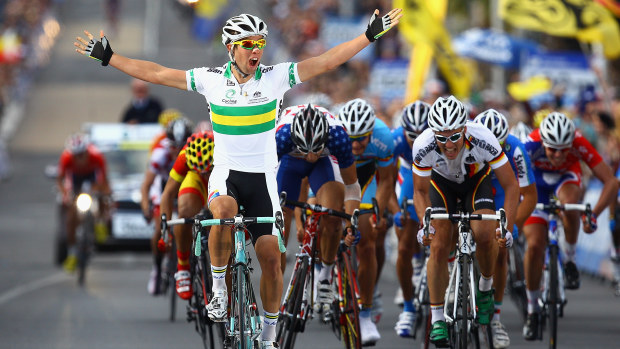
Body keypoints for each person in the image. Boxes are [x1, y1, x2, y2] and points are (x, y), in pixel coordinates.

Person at [74, 9, 402, 348]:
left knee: (272, 257)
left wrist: (368, 36)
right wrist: (110, 57)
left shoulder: (275, 77)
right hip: (227, 174)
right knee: (224, 211)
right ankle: (218, 290)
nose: (255, 50)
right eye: (247, 44)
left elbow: (326, 61)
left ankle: (271, 336)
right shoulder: (211, 79)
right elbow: (156, 73)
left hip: (264, 178)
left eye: (259, 42)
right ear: (231, 48)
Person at [411, 96, 519, 347]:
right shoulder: (423, 145)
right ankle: (437, 319)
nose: (448, 144)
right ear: (433, 134)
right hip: (442, 186)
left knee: (485, 233)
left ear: (465, 129)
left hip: (475, 183)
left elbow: (511, 186)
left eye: (454, 136)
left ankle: (485, 287)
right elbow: (420, 191)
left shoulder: (483, 138)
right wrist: (424, 224)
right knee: (438, 245)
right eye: (442, 137)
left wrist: (507, 228)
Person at [521, 111, 618, 340]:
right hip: (537, 185)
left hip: (566, 178)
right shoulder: (530, 144)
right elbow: (511, 181)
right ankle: (533, 308)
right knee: (534, 246)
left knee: (571, 204)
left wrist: (593, 214)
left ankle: (571, 258)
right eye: (551, 149)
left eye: (563, 149)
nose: (556, 154)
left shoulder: (579, 142)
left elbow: (612, 182)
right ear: (542, 142)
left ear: (571, 144)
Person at [275, 103, 359, 317]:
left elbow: (351, 186)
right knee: (278, 229)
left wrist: (350, 222)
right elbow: (264, 179)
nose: (311, 155)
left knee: (332, 216)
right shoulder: (281, 137)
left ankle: (325, 276)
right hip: (290, 162)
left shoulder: (338, 137)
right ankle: (274, 290)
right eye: (306, 150)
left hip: (325, 163)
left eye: (316, 149)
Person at [474, 109, 538, 349]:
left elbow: (529, 195)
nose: (495, 150)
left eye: (499, 145)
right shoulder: (465, 139)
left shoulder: (516, 148)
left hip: (501, 191)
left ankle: (496, 319)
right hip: (473, 188)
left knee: (501, 253)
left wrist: (514, 225)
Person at [337, 97, 395, 345]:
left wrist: (377, 213)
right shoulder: (334, 137)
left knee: (368, 241)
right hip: (337, 174)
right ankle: (324, 270)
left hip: (367, 178)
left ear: (371, 132)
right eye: (351, 139)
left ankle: (366, 313)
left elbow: (387, 181)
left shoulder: (384, 138)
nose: (356, 144)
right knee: (326, 220)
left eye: (362, 138)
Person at [159, 131, 215, 300]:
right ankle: (183, 267)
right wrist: (165, 232)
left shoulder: (226, 151)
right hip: (194, 178)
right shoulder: (184, 157)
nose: (205, 174)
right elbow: (168, 194)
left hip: (220, 175)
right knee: (184, 212)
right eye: (202, 171)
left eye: (208, 171)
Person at [141, 117, 193, 295]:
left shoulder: (194, 152)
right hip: (164, 190)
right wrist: (145, 204)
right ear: (166, 143)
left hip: (186, 188)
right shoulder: (160, 154)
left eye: (181, 146)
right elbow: (147, 184)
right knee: (159, 230)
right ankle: (156, 268)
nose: (177, 151)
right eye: (173, 147)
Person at [390, 100, 429, 337]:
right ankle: (407, 308)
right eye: (410, 135)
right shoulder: (395, 139)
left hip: (435, 173)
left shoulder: (438, 138)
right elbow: (385, 177)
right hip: (408, 174)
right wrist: (396, 210)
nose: (415, 140)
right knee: (404, 246)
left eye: (420, 134)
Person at [56, 133, 111, 272]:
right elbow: (60, 181)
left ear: (87, 151)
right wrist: (66, 194)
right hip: (75, 181)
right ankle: (72, 253)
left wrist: (103, 191)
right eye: (76, 155)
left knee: (104, 196)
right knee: (70, 217)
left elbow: (104, 180)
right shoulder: (66, 158)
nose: (79, 158)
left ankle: (100, 222)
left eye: (81, 154)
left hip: (92, 178)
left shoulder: (97, 156)